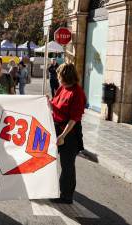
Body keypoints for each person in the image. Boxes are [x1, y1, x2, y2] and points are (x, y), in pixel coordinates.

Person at [50, 63, 86, 204]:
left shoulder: (77, 93)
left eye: (59, 75)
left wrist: (62, 136)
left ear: (64, 76)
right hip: (57, 128)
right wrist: (48, 102)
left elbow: (74, 119)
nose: (57, 78)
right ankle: (52, 187)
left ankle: (66, 195)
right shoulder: (62, 88)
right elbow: (55, 105)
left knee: (67, 164)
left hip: (69, 133)